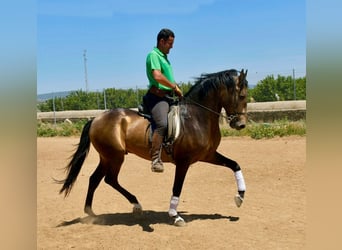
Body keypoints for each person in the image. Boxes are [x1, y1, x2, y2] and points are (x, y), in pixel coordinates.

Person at [145, 28, 183, 173]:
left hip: (167, 96)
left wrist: (176, 89)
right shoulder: (153, 55)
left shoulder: (164, 57)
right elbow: (157, 76)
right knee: (162, 124)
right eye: (170, 43)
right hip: (156, 97)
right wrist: (174, 86)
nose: (172, 46)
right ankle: (155, 159)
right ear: (162, 41)